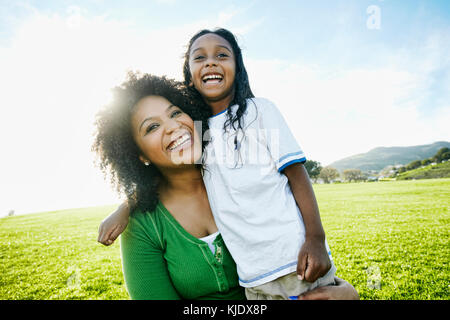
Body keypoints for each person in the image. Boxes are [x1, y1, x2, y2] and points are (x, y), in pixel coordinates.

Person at [99, 28, 346, 300]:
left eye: (175, 113)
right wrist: (126, 206)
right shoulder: (146, 223)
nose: (173, 127)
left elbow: (294, 181)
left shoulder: (232, 142)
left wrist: (347, 289)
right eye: (153, 127)